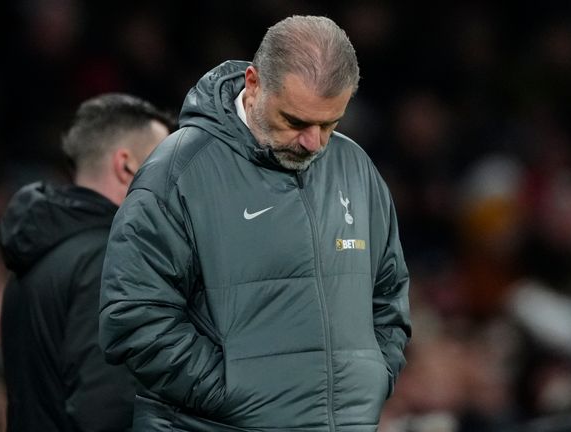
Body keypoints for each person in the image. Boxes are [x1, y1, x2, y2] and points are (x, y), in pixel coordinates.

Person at [100, 15, 411, 431]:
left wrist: (371, 377)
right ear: (253, 83)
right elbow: (133, 316)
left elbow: (389, 296)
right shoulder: (179, 171)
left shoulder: (355, 166)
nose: (314, 142)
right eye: (296, 121)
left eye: (330, 123)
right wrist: (232, 393)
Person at [0, 93, 172, 432]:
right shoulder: (111, 258)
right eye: (164, 163)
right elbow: (105, 409)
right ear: (126, 165)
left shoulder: (36, 255)